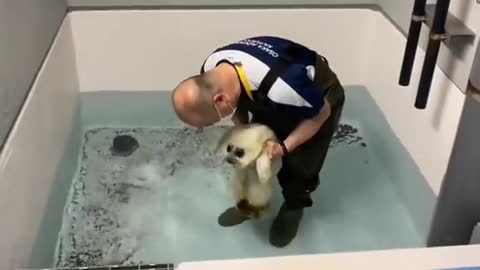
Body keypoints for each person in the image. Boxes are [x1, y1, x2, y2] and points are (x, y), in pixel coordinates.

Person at [171, 36, 345, 247]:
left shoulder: (283, 88)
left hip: (316, 99)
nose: (213, 124)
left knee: (300, 163)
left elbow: (322, 113)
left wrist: (284, 146)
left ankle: (294, 206)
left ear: (220, 100)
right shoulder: (211, 66)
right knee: (251, 157)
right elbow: (238, 95)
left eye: (211, 121)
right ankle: (251, 205)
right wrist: (243, 123)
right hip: (274, 90)